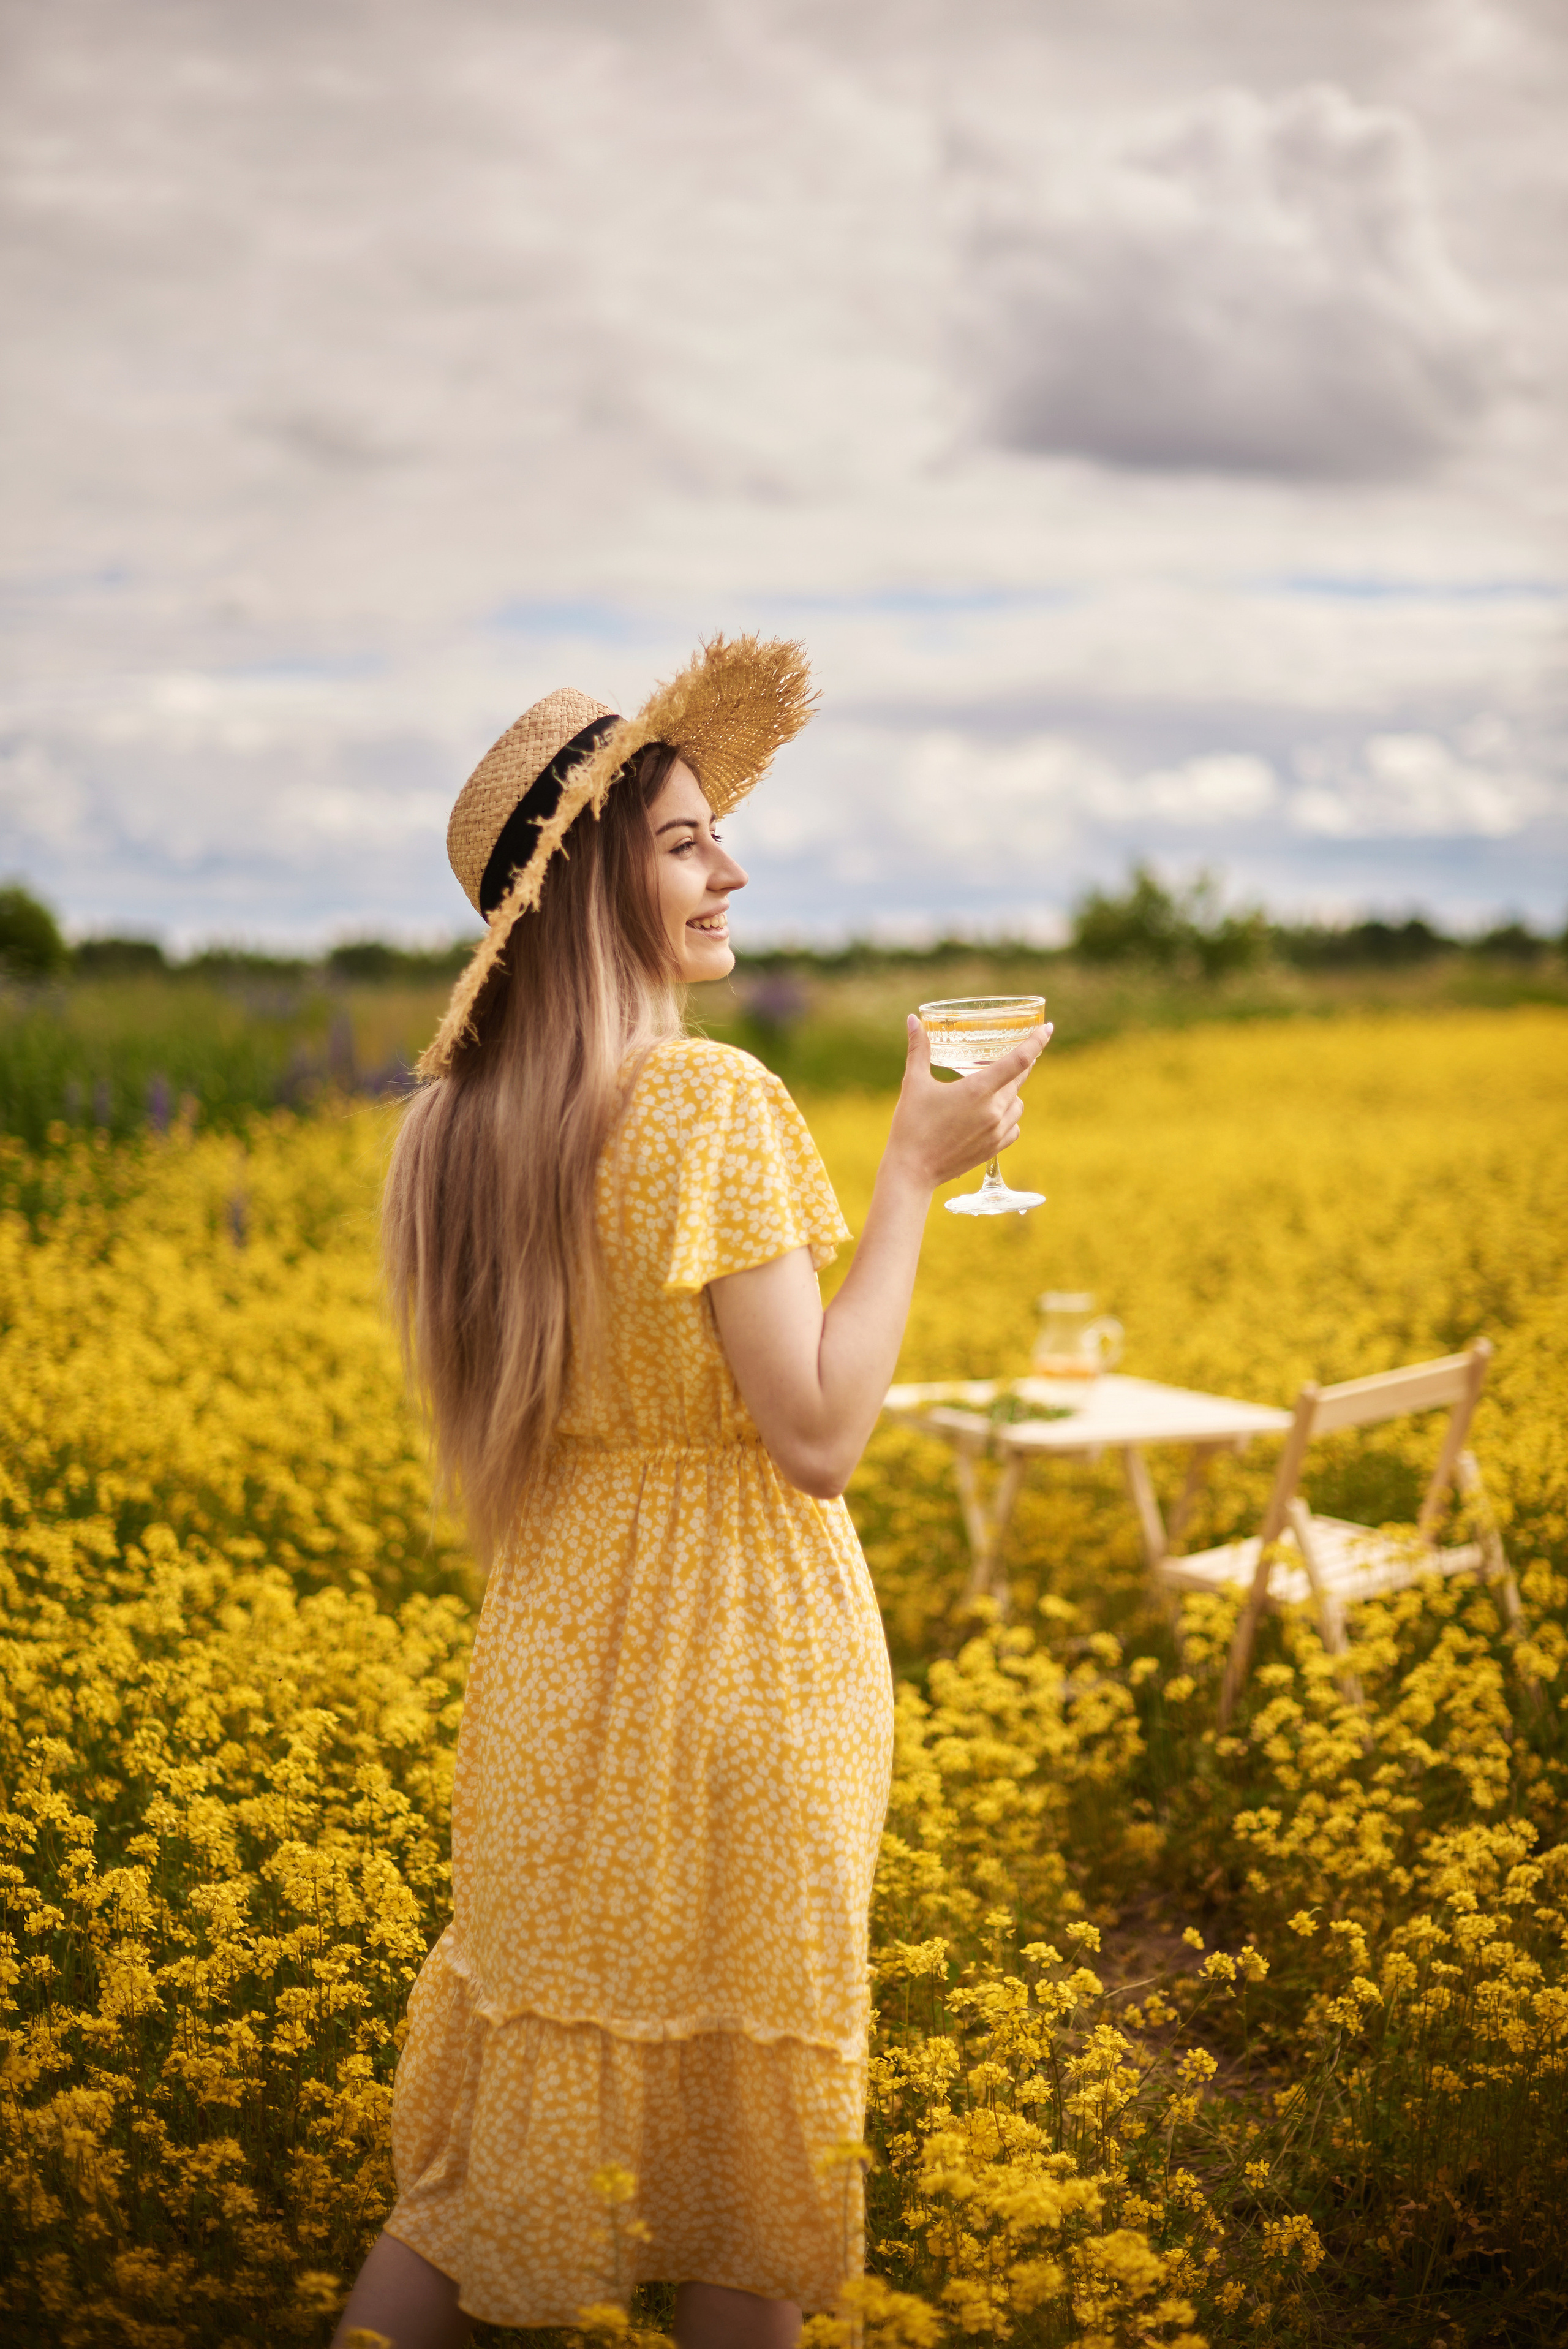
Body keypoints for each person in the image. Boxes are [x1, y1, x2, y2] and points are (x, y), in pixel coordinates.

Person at [334, 637, 1049, 2349]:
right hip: (741, 1662)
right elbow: (813, 1434)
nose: (732, 865)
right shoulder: (717, 1100)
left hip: (553, 1662)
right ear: (594, 886)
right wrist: (909, 1174)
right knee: (745, 2168)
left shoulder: (455, 1129)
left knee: (482, 2150)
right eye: (681, 839)